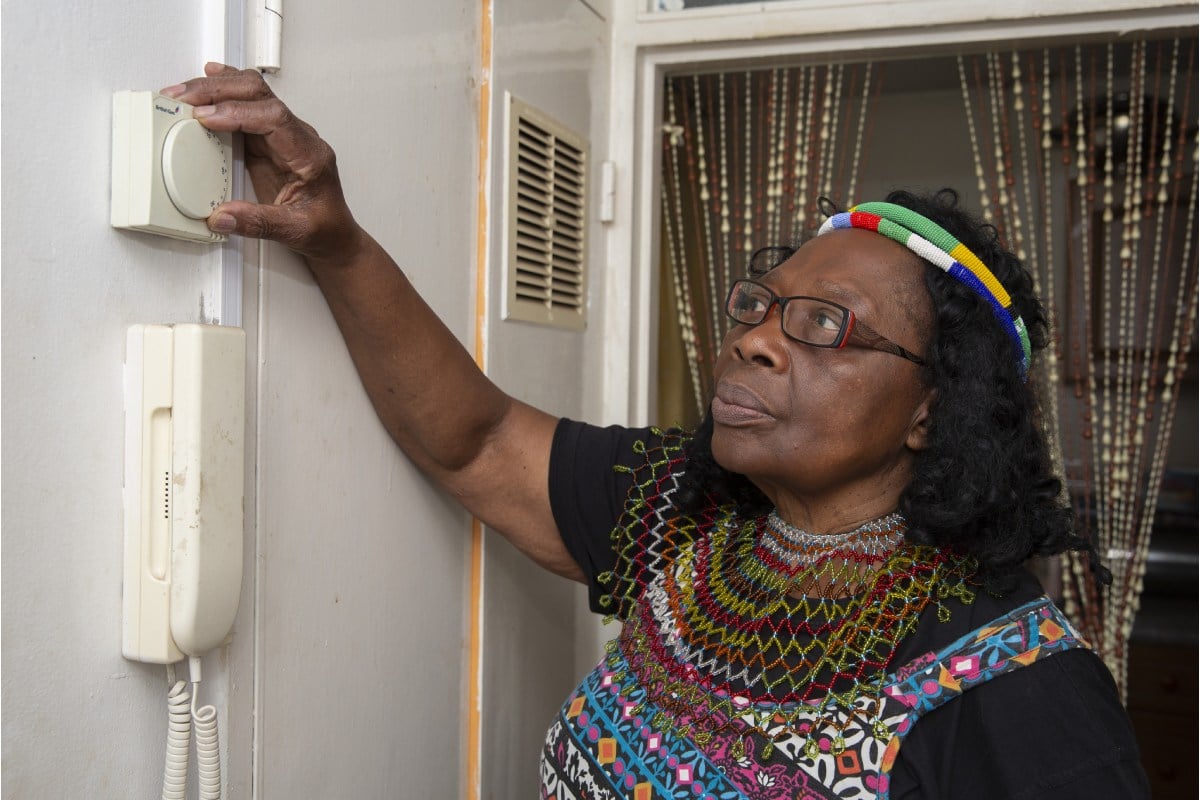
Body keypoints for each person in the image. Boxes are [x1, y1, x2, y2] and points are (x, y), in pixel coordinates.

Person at [164, 64, 1150, 799]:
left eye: (822, 324)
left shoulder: (1023, 693)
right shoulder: (690, 511)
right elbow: (476, 441)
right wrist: (337, 238)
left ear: (937, 405)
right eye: (762, 304)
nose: (757, 339)